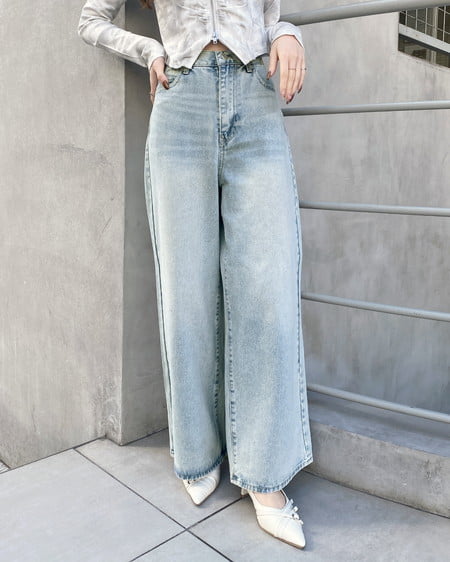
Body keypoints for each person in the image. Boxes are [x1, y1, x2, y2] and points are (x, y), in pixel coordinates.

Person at [78, 0, 313, 549]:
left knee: (269, 293)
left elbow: (272, 16)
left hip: (256, 100)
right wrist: (149, 49)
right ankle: (197, 453)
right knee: (187, 295)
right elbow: (90, 20)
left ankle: (265, 476)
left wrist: (289, 33)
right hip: (181, 104)